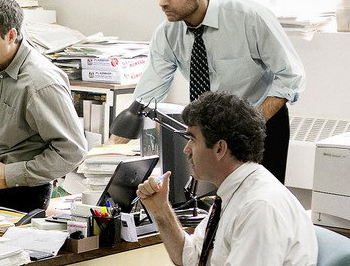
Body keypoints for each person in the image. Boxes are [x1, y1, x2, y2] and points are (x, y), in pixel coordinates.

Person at [111, 0, 305, 183]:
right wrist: (114, 145)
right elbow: (149, 90)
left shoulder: (248, 17)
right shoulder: (167, 33)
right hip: (209, 130)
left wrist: (250, 123)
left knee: (259, 196)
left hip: (260, 120)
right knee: (213, 198)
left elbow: (290, 76)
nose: (162, 2)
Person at [136, 92, 317, 265]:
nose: (186, 149)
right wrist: (161, 211)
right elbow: (192, 258)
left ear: (220, 148)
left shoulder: (258, 207)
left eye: (193, 140)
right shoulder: (234, 192)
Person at [0, 0, 87, 212]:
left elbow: (72, 152)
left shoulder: (40, 82)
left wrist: (10, 175)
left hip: (23, 191)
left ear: (11, 35)